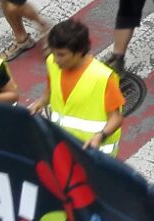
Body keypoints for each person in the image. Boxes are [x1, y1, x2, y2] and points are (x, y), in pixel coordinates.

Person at [35, 19, 123, 153]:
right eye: (54, 53)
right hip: (62, 146)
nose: (56, 59)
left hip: (93, 153)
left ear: (80, 51)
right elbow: (51, 90)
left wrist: (100, 136)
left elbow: (116, 118)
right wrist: (41, 102)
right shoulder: (52, 63)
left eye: (61, 55)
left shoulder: (103, 78)